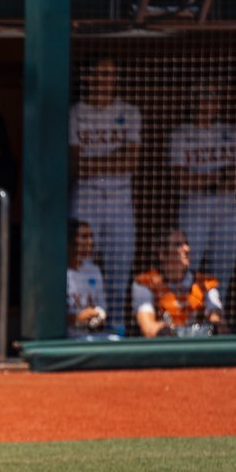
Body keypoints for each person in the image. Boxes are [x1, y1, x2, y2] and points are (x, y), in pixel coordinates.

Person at [69, 56, 142, 334]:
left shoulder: (130, 112)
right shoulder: (76, 112)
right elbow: (76, 165)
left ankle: (116, 328)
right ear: (88, 77)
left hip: (120, 198)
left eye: (110, 75)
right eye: (99, 74)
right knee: (81, 259)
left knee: (119, 267)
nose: (105, 80)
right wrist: (113, 160)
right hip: (85, 195)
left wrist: (94, 163)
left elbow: (131, 162)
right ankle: (79, 326)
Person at [167, 82, 236, 292]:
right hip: (194, 213)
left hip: (228, 214)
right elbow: (181, 179)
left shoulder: (231, 132)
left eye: (212, 96)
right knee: (185, 271)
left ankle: (215, 322)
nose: (207, 101)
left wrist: (204, 180)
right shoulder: (180, 134)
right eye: (202, 96)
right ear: (192, 101)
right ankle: (183, 319)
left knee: (220, 278)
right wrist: (220, 176)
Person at [130, 228, 224, 338]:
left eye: (186, 243)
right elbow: (148, 328)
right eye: (178, 245)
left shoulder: (205, 283)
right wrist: (174, 332)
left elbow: (219, 324)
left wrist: (210, 326)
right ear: (162, 254)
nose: (187, 249)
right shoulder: (145, 283)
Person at [66, 218, 111, 339]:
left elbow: (102, 307)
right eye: (84, 237)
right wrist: (78, 317)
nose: (90, 241)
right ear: (70, 241)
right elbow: (51, 317)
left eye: (91, 236)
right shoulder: (59, 273)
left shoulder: (94, 271)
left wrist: (98, 315)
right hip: (66, 338)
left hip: (90, 335)